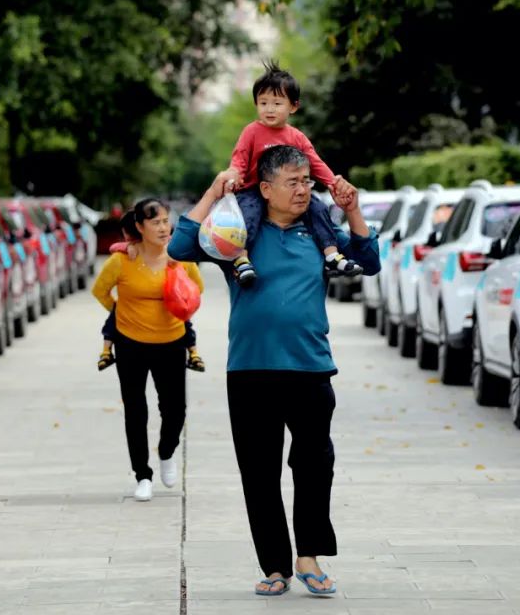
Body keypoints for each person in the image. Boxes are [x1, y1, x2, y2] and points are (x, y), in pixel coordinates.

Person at [169, 145, 380, 597]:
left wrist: (354, 212)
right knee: (260, 472)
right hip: (250, 371)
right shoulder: (236, 235)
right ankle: (274, 566)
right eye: (293, 182)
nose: (304, 189)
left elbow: (369, 261)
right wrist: (212, 191)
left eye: (307, 181)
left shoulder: (319, 231)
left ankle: (309, 555)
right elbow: (180, 245)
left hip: (310, 368)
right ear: (265, 189)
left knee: (315, 464)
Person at [91, 198, 204, 502]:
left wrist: (179, 295)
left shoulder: (180, 258)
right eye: (155, 222)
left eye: (166, 220)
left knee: (175, 410)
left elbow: (197, 289)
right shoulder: (121, 260)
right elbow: (100, 290)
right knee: (135, 411)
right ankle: (142, 474)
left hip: (171, 342)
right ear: (139, 227)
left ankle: (167, 452)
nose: (164, 227)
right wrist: (120, 311)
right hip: (130, 344)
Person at [220, 59, 362, 287]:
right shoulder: (251, 131)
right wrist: (233, 174)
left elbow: (314, 163)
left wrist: (333, 182)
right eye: (263, 102)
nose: (269, 109)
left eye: (277, 103)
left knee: (318, 208)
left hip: (289, 191)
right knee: (247, 215)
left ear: (293, 106)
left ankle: (331, 254)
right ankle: (241, 260)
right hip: (255, 190)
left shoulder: (296, 137)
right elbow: (239, 158)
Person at [98, 228, 205, 373]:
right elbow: (114, 247)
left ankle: (194, 353)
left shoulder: (171, 245)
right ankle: (106, 351)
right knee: (113, 319)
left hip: (173, 298)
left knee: (184, 324)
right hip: (158, 310)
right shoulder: (134, 247)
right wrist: (128, 246)